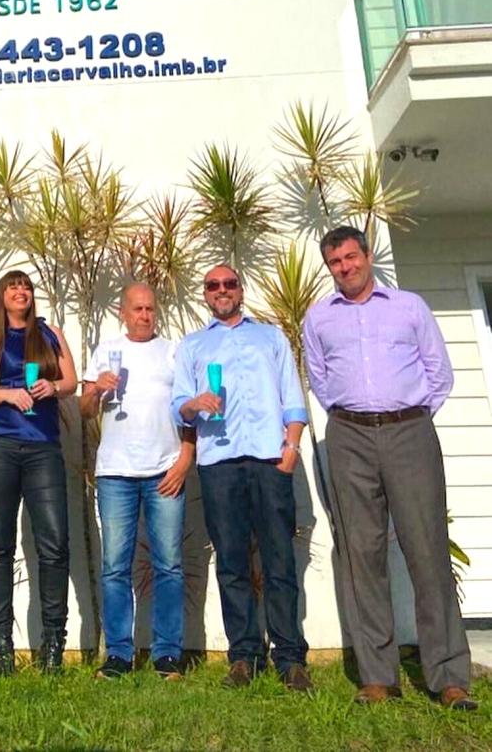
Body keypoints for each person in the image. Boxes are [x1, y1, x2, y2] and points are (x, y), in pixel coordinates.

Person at [303, 225, 476, 709]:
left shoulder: (409, 307)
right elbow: (320, 379)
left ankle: (449, 677)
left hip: (409, 433)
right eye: (336, 262)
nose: (345, 267)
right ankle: (378, 677)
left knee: (427, 549)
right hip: (349, 435)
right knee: (362, 554)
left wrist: (407, 418)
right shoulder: (319, 318)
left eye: (351, 257)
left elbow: (439, 373)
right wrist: (355, 417)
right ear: (329, 267)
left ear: (367, 255)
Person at [171, 265, 312, 692]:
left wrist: (291, 448)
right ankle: (244, 656)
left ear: (241, 290)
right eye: (213, 285)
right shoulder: (193, 345)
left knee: (280, 560)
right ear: (205, 294)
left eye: (229, 284)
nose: (222, 290)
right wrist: (195, 403)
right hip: (219, 463)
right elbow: (178, 406)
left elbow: (293, 397)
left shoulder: (271, 337)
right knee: (231, 562)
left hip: (270, 459)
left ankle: (290, 657)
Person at [80, 282, 195, 680]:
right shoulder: (105, 350)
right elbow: (84, 410)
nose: (145, 315)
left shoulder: (173, 351)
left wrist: (185, 459)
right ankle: (118, 654)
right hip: (115, 472)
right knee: (115, 567)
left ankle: (167, 654)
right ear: (123, 312)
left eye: (150, 309)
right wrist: (96, 390)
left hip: (165, 470)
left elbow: (187, 409)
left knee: (169, 566)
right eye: (138, 309)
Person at [0, 269, 78, 675]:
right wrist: (6, 394)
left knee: (54, 543)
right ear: (2, 296)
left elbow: (71, 381)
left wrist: (54, 387)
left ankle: (53, 643)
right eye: (13, 287)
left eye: (26, 287)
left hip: (42, 446)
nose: (21, 292)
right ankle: (2, 646)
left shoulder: (50, 334)